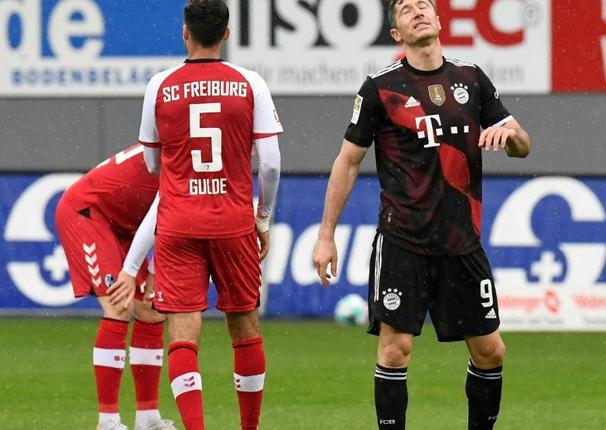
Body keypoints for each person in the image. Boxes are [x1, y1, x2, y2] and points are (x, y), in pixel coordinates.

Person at [312, 1, 530, 428]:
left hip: (461, 240)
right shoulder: (380, 87)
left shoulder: (470, 78)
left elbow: (522, 143)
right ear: (397, 34)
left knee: (491, 351)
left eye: (424, 5)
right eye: (406, 10)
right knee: (395, 350)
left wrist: (512, 136)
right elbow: (348, 161)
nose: (417, 11)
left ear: (438, 19)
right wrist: (326, 235)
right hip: (403, 241)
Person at [131, 1, 283, 429]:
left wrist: (182, 178)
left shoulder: (160, 85)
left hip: (178, 224)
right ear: (227, 34)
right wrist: (262, 218)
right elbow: (270, 162)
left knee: (182, 335)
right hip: (233, 222)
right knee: (245, 326)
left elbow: (150, 163)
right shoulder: (250, 82)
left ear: (185, 32)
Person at [54, 144, 175, 430]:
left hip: (126, 224)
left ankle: (148, 418)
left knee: (151, 309)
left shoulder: (187, 143)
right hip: (88, 212)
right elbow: (168, 217)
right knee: (119, 304)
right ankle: (107, 421)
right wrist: (149, 271)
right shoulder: (183, 156)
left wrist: (154, 273)